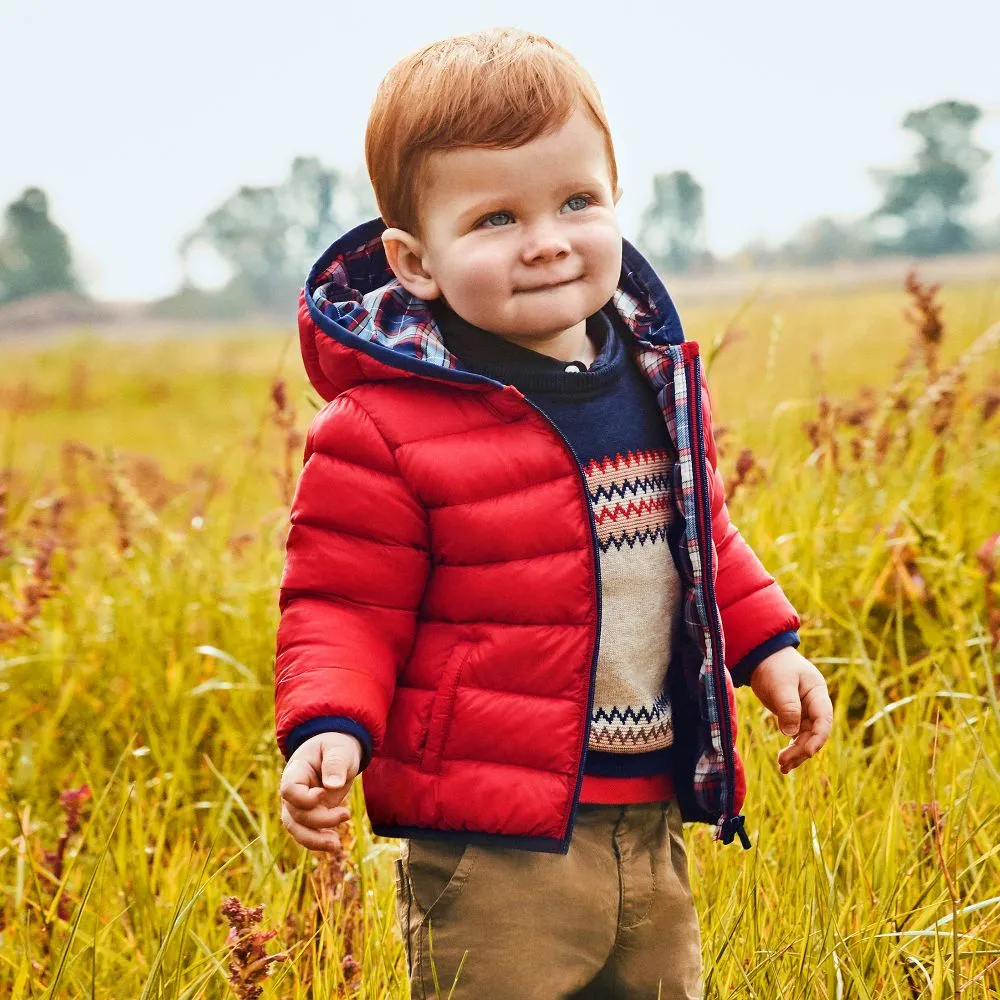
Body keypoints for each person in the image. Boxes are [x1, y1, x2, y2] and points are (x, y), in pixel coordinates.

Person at [274, 27, 833, 999]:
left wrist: (766, 646)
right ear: (414, 259)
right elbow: (341, 603)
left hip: (648, 811)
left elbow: (696, 538)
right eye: (494, 218)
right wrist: (330, 721)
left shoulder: (653, 380)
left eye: (577, 201)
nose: (545, 240)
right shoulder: (382, 428)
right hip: (493, 843)